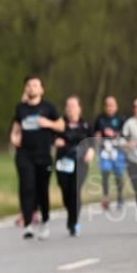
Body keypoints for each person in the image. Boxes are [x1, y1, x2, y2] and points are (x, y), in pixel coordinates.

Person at [10, 75, 64, 239]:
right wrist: (14, 136)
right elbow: (17, 125)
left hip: (43, 155)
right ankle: (27, 224)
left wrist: (48, 123)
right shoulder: (21, 107)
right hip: (24, 154)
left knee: (42, 189)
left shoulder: (48, 108)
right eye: (29, 85)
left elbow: (61, 125)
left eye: (35, 85)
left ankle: (45, 221)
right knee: (27, 187)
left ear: (41, 89)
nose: (32, 87)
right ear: (26, 89)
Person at [54, 96, 94, 236]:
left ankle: (73, 223)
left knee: (75, 190)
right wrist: (56, 141)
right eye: (68, 106)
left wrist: (90, 150)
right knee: (66, 192)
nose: (70, 109)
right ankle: (71, 214)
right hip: (63, 161)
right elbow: (51, 137)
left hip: (80, 162)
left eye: (73, 106)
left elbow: (92, 141)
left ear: (79, 108)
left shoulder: (86, 125)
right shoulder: (60, 124)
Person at [94, 96, 127, 211]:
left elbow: (125, 135)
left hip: (117, 150)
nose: (109, 107)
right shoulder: (100, 119)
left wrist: (115, 134)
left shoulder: (121, 118)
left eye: (112, 105)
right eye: (107, 105)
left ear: (116, 106)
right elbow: (96, 132)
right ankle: (106, 198)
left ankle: (120, 197)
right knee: (105, 173)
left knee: (118, 175)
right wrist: (97, 137)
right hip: (104, 151)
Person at [122, 97, 137, 235]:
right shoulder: (129, 124)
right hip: (134, 162)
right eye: (135, 107)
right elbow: (121, 140)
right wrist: (127, 144)